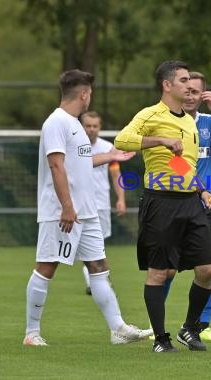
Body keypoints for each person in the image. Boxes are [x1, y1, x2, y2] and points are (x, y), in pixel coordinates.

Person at [24, 69, 151, 346]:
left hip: (87, 213)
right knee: (47, 267)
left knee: (98, 266)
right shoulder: (56, 122)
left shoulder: (75, 124)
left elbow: (79, 163)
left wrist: (110, 155)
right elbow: (56, 165)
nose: (90, 96)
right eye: (89, 92)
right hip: (62, 213)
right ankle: (31, 333)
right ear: (83, 94)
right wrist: (67, 207)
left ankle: (118, 329)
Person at [114, 60, 211, 353]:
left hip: (191, 203)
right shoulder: (150, 114)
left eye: (190, 81)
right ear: (167, 85)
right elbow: (122, 140)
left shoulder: (188, 120)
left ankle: (189, 328)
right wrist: (158, 139)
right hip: (160, 203)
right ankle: (161, 339)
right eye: (184, 80)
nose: (189, 86)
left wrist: (201, 188)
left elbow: (179, 162)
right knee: (159, 272)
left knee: (207, 268)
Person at [158, 71, 211, 342]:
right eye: (187, 90)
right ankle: (157, 325)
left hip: (208, 205)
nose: (190, 96)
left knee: (209, 266)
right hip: (178, 202)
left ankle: (201, 325)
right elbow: (171, 162)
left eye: (196, 92)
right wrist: (196, 187)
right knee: (166, 268)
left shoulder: (209, 122)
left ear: (204, 95)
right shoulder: (167, 121)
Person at [80, 111, 129, 295]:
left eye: (95, 126)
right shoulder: (75, 146)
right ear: (82, 126)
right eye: (88, 125)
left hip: (100, 203)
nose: (91, 129)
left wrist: (121, 199)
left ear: (100, 127)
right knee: (86, 245)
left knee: (98, 244)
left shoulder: (108, 147)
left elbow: (116, 175)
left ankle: (97, 280)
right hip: (78, 203)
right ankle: (96, 281)